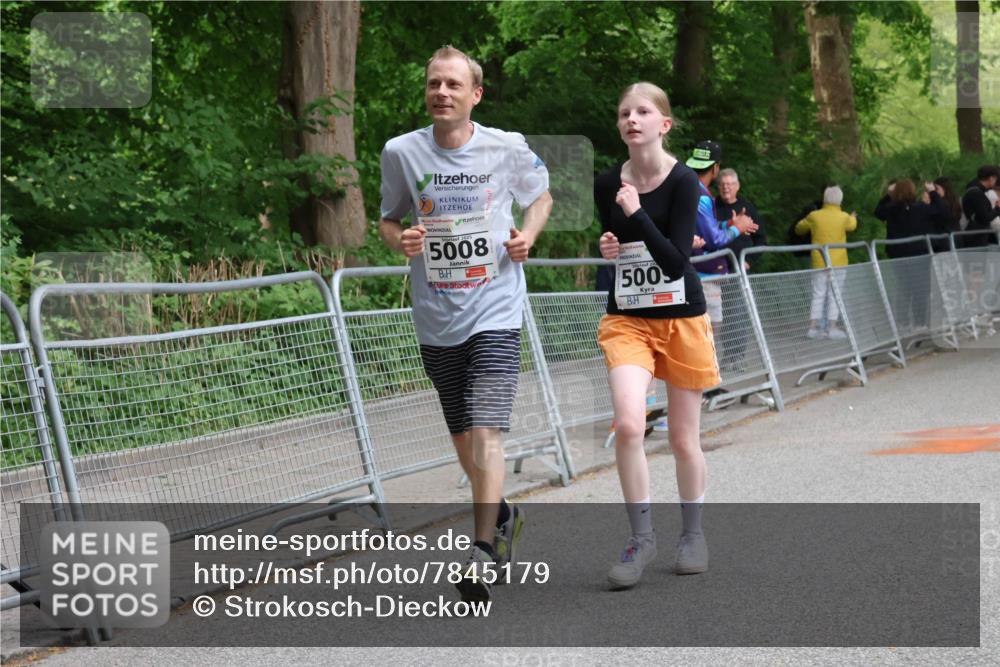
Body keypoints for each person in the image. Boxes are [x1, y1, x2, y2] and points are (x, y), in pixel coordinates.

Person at [378, 45, 552, 603]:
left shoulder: (506, 148)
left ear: (475, 94)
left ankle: (480, 550)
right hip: (436, 317)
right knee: (462, 440)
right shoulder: (401, 152)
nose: (442, 92)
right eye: (434, 83)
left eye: (453, 84)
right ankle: (501, 515)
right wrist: (399, 241)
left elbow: (541, 196)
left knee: (485, 429)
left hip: (496, 308)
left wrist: (529, 235)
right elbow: (388, 219)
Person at [595, 82, 722, 589]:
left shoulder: (686, 181)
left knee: (682, 439)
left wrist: (634, 214)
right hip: (627, 317)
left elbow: (674, 262)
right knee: (629, 424)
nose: (632, 119)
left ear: (663, 125)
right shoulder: (608, 182)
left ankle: (692, 534)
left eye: (643, 111)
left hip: (681, 315)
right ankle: (640, 539)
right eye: (624, 112)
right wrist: (608, 242)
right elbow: (619, 241)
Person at [685, 142, 758, 372]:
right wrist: (738, 227)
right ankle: (705, 379)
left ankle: (702, 375)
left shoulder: (688, 187)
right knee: (709, 328)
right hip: (702, 273)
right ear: (715, 169)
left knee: (702, 327)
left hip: (692, 270)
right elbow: (715, 240)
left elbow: (706, 228)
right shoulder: (702, 196)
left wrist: (729, 223)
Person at [874, 179, 948, 330]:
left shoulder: (891, 209)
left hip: (897, 253)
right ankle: (919, 322)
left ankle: (902, 321)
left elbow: (878, 212)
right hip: (918, 252)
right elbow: (942, 211)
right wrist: (933, 193)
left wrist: (888, 195)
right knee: (920, 288)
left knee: (903, 287)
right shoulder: (920, 208)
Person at [714, 168, 766, 373]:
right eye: (723, 184)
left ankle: (736, 356)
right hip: (714, 270)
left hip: (738, 269)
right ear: (718, 187)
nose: (726, 188)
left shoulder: (748, 208)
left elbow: (762, 240)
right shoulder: (711, 206)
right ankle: (715, 357)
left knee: (736, 313)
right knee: (717, 316)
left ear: (737, 186)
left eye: (730, 184)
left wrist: (749, 262)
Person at [794, 186, 857, 339]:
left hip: (819, 261)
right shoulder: (844, 217)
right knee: (835, 295)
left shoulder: (814, 216)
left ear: (824, 199)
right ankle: (832, 328)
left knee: (818, 294)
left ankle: (813, 328)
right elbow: (852, 226)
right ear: (840, 200)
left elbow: (799, 229)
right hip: (839, 262)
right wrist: (854, 216)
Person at [960, 165, 1000, 247]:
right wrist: (997, 208)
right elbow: (985, 217)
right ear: (991, 178)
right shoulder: (976, 193)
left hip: (978, 235)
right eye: (996, 178)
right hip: (976, 237)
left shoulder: (977, 192)